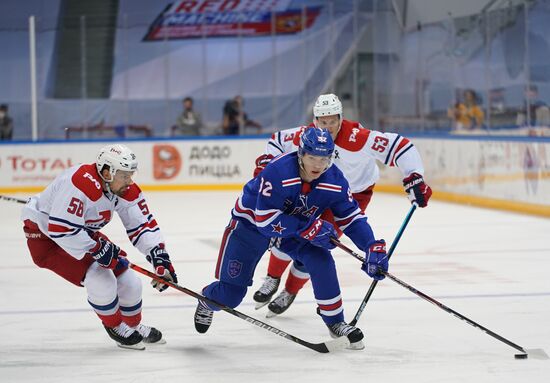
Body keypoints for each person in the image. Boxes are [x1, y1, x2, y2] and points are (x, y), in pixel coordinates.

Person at [193, 127, 388, 350]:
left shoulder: (335, 180)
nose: (318, 164)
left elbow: (351, 217)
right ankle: (206, 300)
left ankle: (336, 322)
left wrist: (371, 246)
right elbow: (265, 220)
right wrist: (309, 227)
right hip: (250, 225)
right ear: (301, 154)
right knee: (230, 296)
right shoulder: (277, 171)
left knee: (320, 258)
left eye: (324, 158)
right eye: (312, 157)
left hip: (293, 228)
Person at [252, 94, 432, 317]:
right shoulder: (307, 135)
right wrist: (268, 160)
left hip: (352, 196)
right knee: (291, 232)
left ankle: (290, 290)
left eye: (332, 121)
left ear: (341, 118)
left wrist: (415, 175)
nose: (327, 127)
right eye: (322, 121)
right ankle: (272, 277)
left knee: (317, 245)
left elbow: (401, 146)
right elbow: (278, 140)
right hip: (317, 191)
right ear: (315, 120)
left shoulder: (358, 137)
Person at [21, 144, 178, 350]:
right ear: (107, 172)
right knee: (99, 276)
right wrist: (96, 248)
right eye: (124, 175)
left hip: (80, 233)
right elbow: (61, 230)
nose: (129, 181)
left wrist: (159, 256)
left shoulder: (120, 187)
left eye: (131, 174)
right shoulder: (78, 184)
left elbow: (142, 224)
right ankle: (115, 327)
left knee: (130, 280)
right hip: (46, 238)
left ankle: (133, 325)